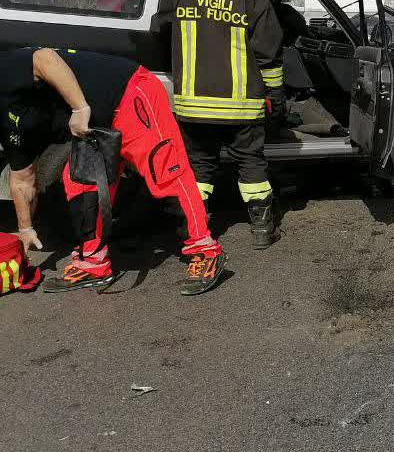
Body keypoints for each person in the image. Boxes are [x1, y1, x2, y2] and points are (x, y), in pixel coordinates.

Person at [0, 47, 225, 295]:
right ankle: (93, 263)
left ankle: (205, 251)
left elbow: (44, 58)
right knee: (81, 183)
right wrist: (25, 229)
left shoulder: (6, 68)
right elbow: (22, 179)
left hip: (128, 91)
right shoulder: (7, 124)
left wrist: (79, 108)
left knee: (164, 171)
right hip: (92, 124)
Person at [156, 0, 285, 250]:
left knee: (199, 167)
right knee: (251, 164)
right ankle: (261, 230)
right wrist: (277, 99)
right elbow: (269, 58)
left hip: (192, 107)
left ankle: (192, 228)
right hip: (243, 109)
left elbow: (158, 34)